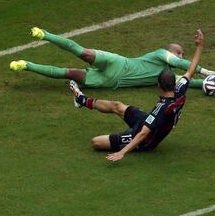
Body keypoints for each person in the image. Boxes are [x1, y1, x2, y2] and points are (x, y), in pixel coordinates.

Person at [68, 29, 204, 162]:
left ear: (159, 86)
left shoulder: (161, 109)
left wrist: (122, 152)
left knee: (96, 142)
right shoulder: (179, 89)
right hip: (148, 123)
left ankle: (129, 143)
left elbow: (143, 133)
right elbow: (190, 71)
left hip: (146, 140)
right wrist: (199, 46)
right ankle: (82, 100)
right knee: (117, 106)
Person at [10, 27, 215, 89]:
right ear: (172, 52)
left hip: (112, 81)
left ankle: (26, 65)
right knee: (83, 52)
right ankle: (44, 34)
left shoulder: (166, 78)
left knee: (69, 73)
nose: (181, 56)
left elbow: (186, 82)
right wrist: (208, 72)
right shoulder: (161, 54)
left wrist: (209, 84)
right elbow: (182, 65)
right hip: (118, 62)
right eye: (179, 52)